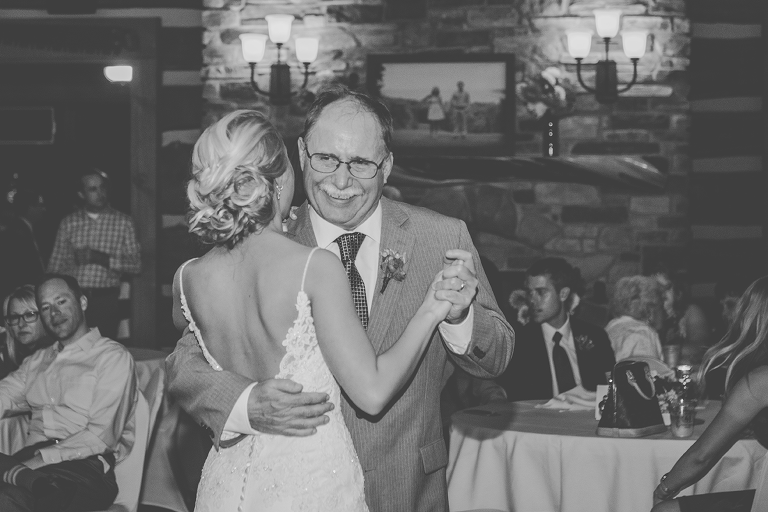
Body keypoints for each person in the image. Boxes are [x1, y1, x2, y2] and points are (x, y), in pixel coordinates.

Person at [166, 86, 515, 512]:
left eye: (361, 163)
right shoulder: (260, 244)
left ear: (387, 166)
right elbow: (184, 363)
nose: (341, 181)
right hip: (292, 488)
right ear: (300, 153)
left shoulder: (441, 236)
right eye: (326, 159)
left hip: (407, 488)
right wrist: (242, 403)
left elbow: (496, 356)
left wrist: (459, 318)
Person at [0, 274, 137, 512]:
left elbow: (100, 436)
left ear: (82, 302)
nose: (54, 313)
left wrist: (37, 461)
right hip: (30, 461)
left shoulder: (112, 357)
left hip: (85, 466)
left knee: (11, 498)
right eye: (45, 307)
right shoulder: (36, 362)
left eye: (61, 302)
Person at [651, 275, 768, 512]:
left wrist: (663, 489)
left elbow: (701, 456)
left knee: (665, 510)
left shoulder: (760, 380)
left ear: (753, 317)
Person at [493, 258, 615, 401]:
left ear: (563, 294)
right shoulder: (519, 342)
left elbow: (612, 385)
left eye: (541, 292)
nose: (532, 300)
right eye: (530, 293)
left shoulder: (596, 336)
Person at [48, 168, 142, 340]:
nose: (100, 193)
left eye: (103, 187)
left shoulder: (123, 222)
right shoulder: (69, 223)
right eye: (93, 189)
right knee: (74, 345)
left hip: (105, 299)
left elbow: (136, 265)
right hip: (73, 298)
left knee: (103, 347)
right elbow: (55, 266)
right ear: (81, 194)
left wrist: (102, 259)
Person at [655, 270, 711, 365]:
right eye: (657, 289)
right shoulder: (648, 316)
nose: (663, 293)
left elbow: (700, 346)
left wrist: (664, 351)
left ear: (677, 289)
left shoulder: (691, 311)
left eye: (667, 287)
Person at [0, 188, 47, 301]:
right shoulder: (17, 234)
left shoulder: (26, 229)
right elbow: (22, 270)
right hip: (24, 295)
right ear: (30, 207)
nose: (44, 209)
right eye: (40, 205)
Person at [605, 275, 665, 362]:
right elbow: (648, 368)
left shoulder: (610, 328)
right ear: (648, 306)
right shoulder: (641, 334)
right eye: (659, 306)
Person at [0, 285, 54, 380]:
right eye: (14, 317)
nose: (21, 324)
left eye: (30, 315)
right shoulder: (8, 356)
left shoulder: (59, 353)